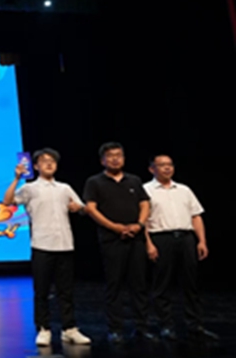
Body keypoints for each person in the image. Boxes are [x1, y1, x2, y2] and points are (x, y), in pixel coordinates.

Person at [2, 148, 91, 347]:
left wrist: (79, 208)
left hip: (65, 244)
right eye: (44, 161)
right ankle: (43, 328)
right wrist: (16, 178)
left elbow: (82, 207)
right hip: (42, 245)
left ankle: (69, 328)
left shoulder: (64, 188)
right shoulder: (30, 188)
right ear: (35, 166)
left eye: (52, 161)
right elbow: (7, 201)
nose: (49, 164)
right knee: (41, 290)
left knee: (66, 291)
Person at [83, 142, 155, 344]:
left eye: (119, 155)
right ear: (102, 160)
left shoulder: (134, 180)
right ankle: (115, 329)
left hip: (136, 238)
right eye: (110, 156)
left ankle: (142, 327)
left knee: (139, 284)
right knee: (114, 285)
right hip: (111, 239)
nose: (115, 159)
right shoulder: (95, 182)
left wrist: (139, 225)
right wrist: (115, 227)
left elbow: (144, 204)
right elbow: (91, 209)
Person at [144, 154, 218, 341]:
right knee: (162, 285)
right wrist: (149, 244)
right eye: (162, 165)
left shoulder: (184, 190)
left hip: (186, 238)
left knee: (191, 284)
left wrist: (201, 241)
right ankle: (166, 325)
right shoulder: (146, 190)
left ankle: (195, 325)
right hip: (161, 237)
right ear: (152, 169)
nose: (167, 168)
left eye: (170, 164)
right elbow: (142, 221)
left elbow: (196, 216)